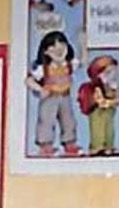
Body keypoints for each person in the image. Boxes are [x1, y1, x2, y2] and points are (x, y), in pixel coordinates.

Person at [28, 29, 81, 157]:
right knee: (47, 120)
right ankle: (45, 145)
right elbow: (29, 80)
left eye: (62, 47)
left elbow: (81, 60)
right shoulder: (43, 67)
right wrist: (41, 89)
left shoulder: (68, 64)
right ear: (46, 51)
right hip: (50, 97)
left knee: (68, 120)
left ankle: (69, 143)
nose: (59, 51)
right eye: (54, 48)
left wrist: (83, 43)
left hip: (65, 95)